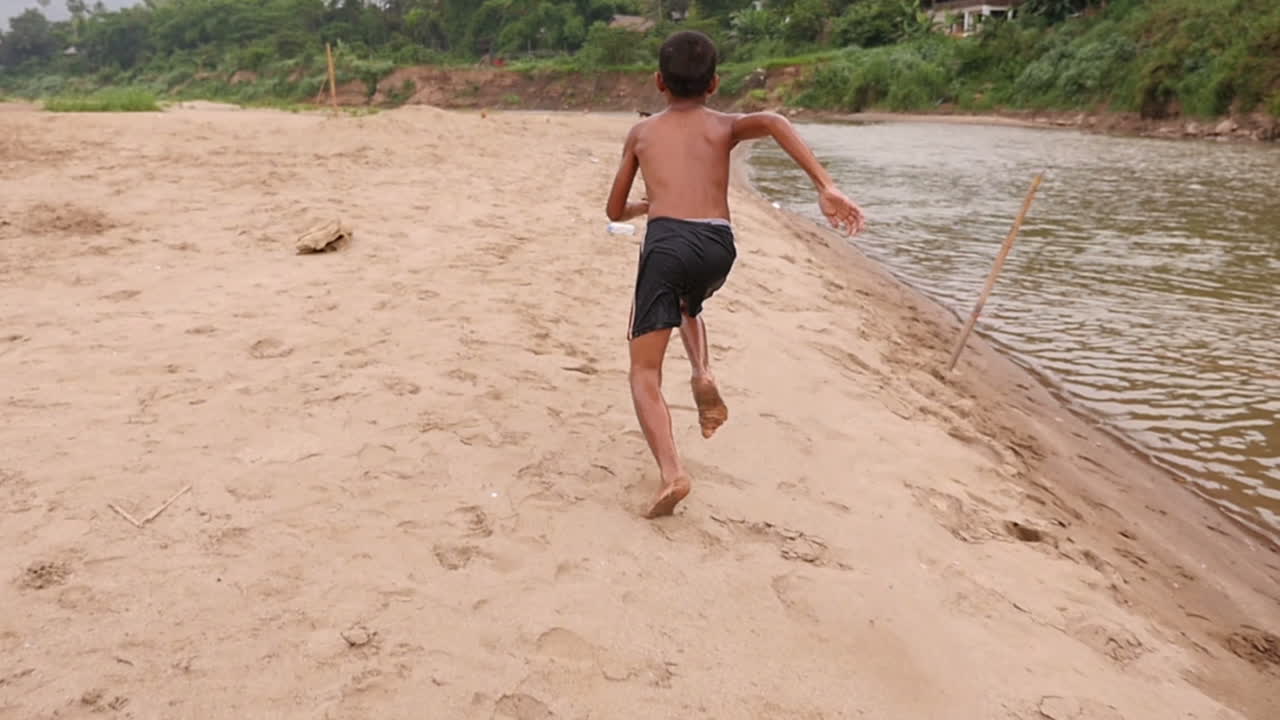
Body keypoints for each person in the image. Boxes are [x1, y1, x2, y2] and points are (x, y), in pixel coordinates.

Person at [606, 30, 866, 519]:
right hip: (717, 245)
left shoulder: (641, 134)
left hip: (667, 243)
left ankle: (672, 473)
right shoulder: (724, 126)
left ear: (658, 82)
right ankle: (703, 372)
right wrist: (825, 185)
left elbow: (615, 209)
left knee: (644, 371)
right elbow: (773, 120)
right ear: (715, 83)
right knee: (687, 303)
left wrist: (650, 203)